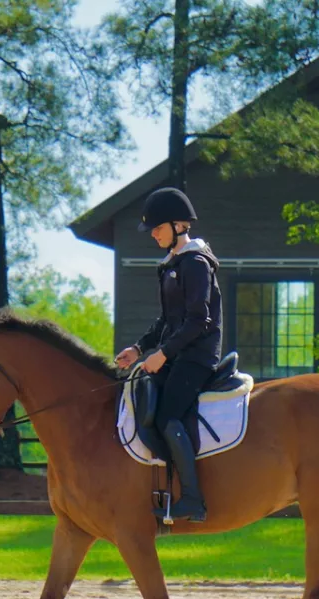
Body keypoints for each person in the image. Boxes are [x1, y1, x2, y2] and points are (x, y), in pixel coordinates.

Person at [115, 187, 223, 523]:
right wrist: (139, 348)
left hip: (197, 356)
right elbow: (166, 320)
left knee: (166, 417)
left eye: (158, 228)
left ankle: (192, 498)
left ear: (179, 225)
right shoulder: (171, 264)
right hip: (177, 354)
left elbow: (197, 320)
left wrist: (163, 354)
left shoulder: (195, 263)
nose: (154, 235)